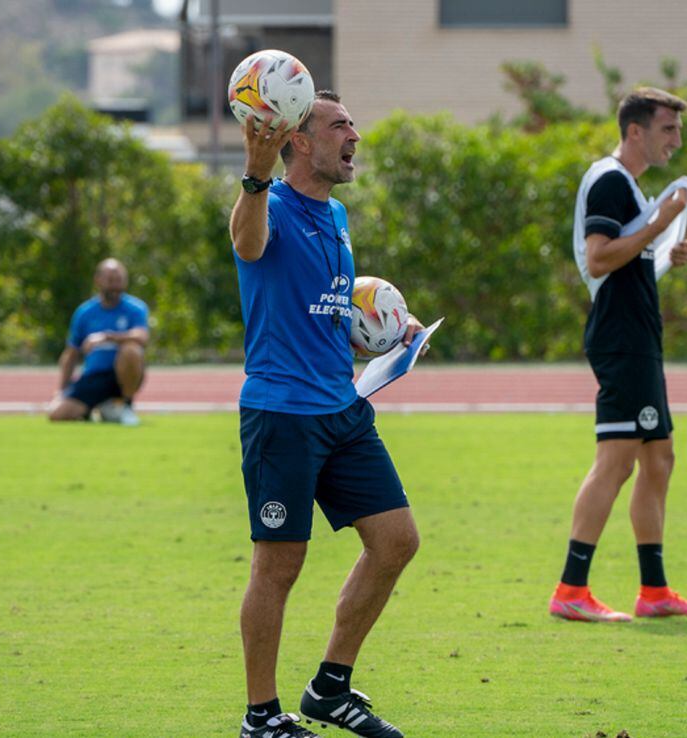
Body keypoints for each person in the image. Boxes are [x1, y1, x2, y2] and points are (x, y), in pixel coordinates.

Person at [230, 91, 423, 738]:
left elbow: (327, 316)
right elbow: (248, 245)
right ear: (302, 141)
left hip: (342, 410)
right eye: (340, 125)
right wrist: (255, 177)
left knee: (397, 542)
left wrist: (388, 331)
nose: (355, 135)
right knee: (278, 566)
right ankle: (261, 718)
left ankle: (329, 689)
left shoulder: (336, 215)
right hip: (281, 416)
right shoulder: (270, 205)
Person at [549, 87, 687, 624]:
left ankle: (655, 591)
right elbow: (597, 260)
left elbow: (626, 252)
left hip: (639, 335)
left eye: (678, 130)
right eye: (668, 129)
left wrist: (661, 252)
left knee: (659, 459)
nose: (676, 140)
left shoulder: (630, 188)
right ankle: (571, 588)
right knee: (615, 463)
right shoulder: (611, 179)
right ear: (635, 130)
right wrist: (660, 223)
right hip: (621, 337)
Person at [48, 258, 148, 426]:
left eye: (119, 281)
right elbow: (71, 353)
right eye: (110, 281)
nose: (115, 286)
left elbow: (142, 337)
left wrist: (107, 337)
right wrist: (61, 390)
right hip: (94, 376)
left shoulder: (135, 308)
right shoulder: (85, 312)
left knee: (131, 349)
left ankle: (125, 405)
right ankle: (102, 407)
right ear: (98, 280)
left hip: (120, 377)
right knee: (57, 414)